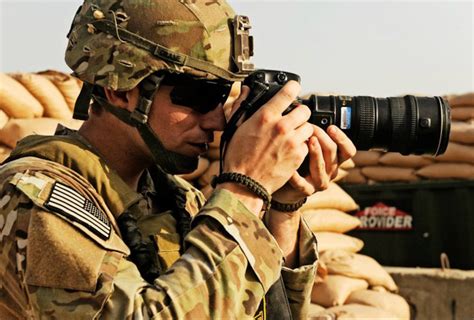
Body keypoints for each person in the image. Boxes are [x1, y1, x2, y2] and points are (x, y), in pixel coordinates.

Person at [0, 0, 356, 319]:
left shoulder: (180, 201)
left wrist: (283, 207)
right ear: (121, 89)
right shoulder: (36, 200)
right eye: (200, 95)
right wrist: (245, 188)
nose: (217, 120)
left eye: (223, 97)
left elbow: (263, 311)